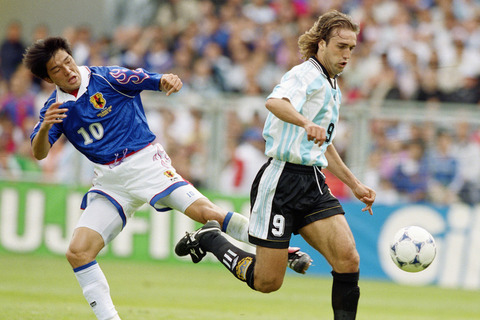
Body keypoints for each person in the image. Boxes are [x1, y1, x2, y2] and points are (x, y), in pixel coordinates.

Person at [23, 36, 310, 320]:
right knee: (77, 252)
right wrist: (47, 123)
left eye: (68, 61)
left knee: (206, 212)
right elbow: (39, 152)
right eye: (57, 70)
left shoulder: (106, 78)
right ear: (48, 78)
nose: (68, 70)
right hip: (110, 182)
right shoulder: (54, 109)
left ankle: (280, 249)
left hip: (146, 165)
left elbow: (146, 79)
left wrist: (166, 80)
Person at [176, 10, 376, 320]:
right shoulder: (305, 74)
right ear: (321, 45)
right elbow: (275, 102)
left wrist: (354, 184)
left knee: (348, 259)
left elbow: (324, 142)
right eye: (341, 46)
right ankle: (210, 238)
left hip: (312, 179)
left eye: (351, 48)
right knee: (267, 281)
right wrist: (304, 121)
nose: (347, 54)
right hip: (281, 180)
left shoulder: (332, 85)